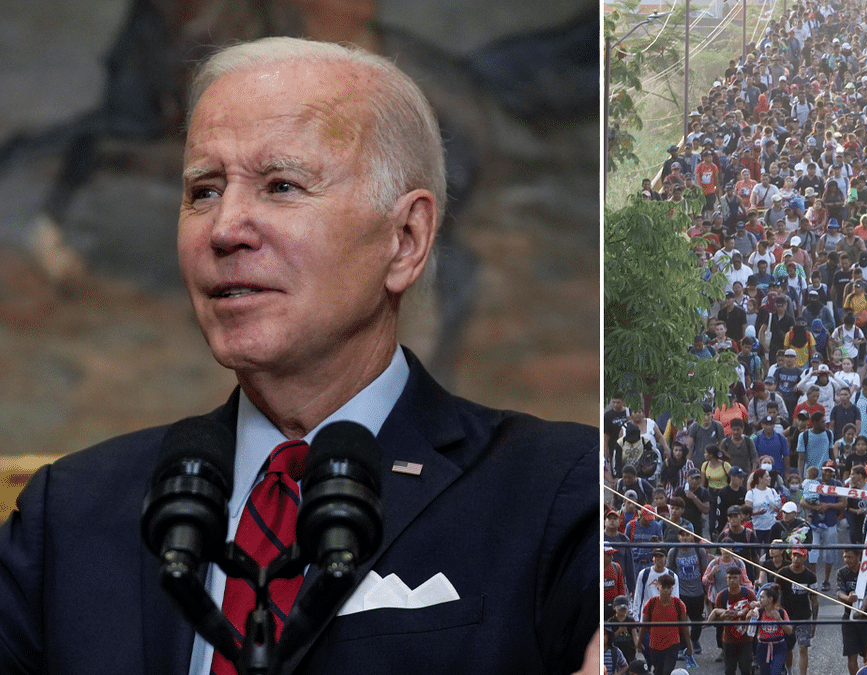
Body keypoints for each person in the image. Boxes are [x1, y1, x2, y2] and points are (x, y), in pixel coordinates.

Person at [0, 38, 597, 675]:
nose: (225, 228)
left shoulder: (562, 493)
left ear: (405, 240)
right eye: (203, 191)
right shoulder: (68, 514)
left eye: (281, 185)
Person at [638, 573, 693, 674]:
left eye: (669, 587)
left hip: (672, 644)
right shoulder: (651, 603)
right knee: (658, 671)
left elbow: (685, 627)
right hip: (655, 645)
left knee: (667, 671)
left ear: (672, 588)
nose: (666, 590)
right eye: (663, 587)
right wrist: (639, 642)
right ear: (658, 587)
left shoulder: (679, 604)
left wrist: (689, 646)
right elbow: (644, 625)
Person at [839, 548, 867, 675]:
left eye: (850, 557)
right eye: (845, 557)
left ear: (859, 557)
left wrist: (862, 609)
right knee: (851, 656)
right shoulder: (841, 572)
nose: (847, 560)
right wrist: (848, 598)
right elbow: (839, 591)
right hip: (849, 619)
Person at [778, 547, 820, 675]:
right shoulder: (782, 573)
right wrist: (781, 617)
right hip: (787, 617)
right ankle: (789, 671)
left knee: (803, 648)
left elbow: (814, 600)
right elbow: (778, 598)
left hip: (804, 617)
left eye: (800, 556)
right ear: (791, 556)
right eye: (794, 555)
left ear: (805, 558)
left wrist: (814, 622)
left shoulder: (810, 576)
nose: (797, 558)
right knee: (787, 648)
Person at [711, 567, 758, 675]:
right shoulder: (721, 596)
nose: (732, 580)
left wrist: (749, 613)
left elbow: (757, 610)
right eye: (729, 578)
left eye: (735, 578)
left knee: (746, 669)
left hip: (746, 639)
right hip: (728, 639)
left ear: (740, 578)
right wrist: (725, 615)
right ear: (726, 579)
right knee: (729, 670)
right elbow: (717, 618)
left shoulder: (748, 594)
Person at [756, 585, 795, 675]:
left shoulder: (781, 612)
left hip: (779, 646)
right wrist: (748, 617)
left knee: (775, 672)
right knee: (765, 672)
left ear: (770, 599)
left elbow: (789, 631)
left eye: (762, 597)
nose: (759, 599)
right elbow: (749, 630)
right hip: (763, 646)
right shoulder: (758, 612)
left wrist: (779, 620)